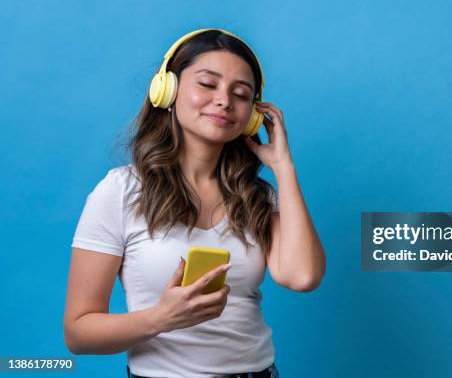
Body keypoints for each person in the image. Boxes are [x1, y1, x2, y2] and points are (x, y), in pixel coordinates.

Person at [63, 28, 326, 378]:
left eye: (241, 94)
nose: (224, 100)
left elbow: (302, 276)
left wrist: (283, 167)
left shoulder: (257, 195)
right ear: (167, 90)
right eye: (207, 84)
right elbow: (78, 334)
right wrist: (162, 318)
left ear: (251, 116)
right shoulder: (121, 191)